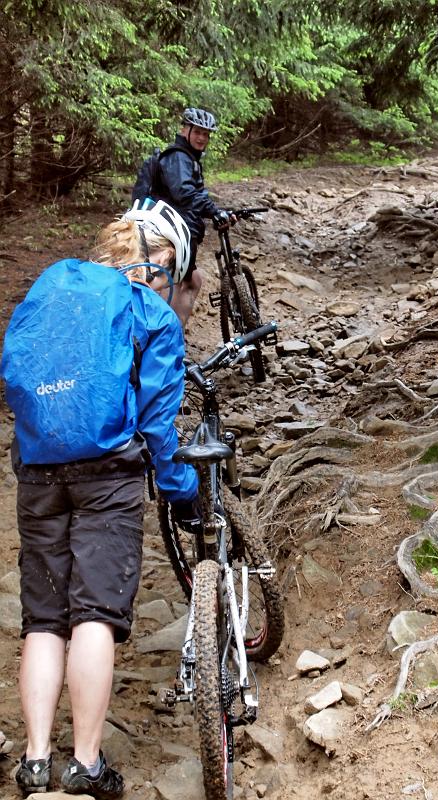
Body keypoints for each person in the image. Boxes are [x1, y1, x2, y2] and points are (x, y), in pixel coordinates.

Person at [1, 201, 201, 797]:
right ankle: (85, 764)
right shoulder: (148, 312)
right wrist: (179, 489)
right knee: (94, 615)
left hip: (38, 470)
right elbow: (160, 425)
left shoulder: (55, 285)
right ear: (160, 262)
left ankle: (35, 760)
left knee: (43, 617)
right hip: (106, 477)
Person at [133, 107, 235, 328]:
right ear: (185, 129)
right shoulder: (178, 157)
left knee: (191, 280)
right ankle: (159, 341)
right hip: (169, 234)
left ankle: (171, 340)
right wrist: (214, 211)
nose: (202, 138)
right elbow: (185, 193)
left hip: (176, 231)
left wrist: (217, 210)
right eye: (198, 132)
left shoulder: (187, 158)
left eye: (206, 134)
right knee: (169, 284)